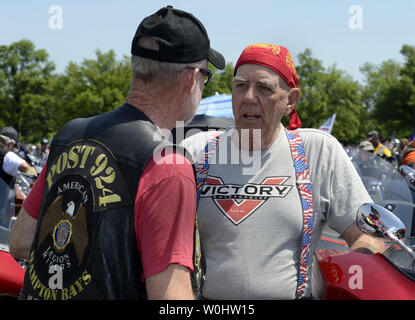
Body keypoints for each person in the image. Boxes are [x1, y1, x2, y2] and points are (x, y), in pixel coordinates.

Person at [8, 6, 225, 300]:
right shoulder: (167, 163)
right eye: (206, 77)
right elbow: (169, 297)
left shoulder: (69, 135)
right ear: (191, 79)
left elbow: (21, 241)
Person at [181, 43, 385, 299]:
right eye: (241, 85)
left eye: (264, 88)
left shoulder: (318, 151)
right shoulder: (197, 150)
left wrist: (348, 279)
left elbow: (370, 236)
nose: (249, 97)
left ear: (291, 100)